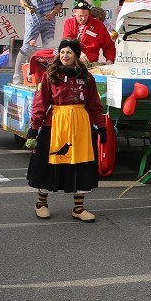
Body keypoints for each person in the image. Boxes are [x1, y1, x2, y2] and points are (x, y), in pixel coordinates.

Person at [25, 39, 105, 222]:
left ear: (76, 55)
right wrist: (34, 128)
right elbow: (40, 103)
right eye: (62, 52)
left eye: (69, 52)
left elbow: (94, 105)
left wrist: (101, 126)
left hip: (81, 126)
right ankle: (41, 204)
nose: (65, 56)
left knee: (80, 164)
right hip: (55, 125)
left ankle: (78, 208)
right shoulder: (50, 76)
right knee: (48, 163)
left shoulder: (87, 77)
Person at [14, 0, 65, 82]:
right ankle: (17, 75)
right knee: (26, 46)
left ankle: (49, 75)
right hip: (33, 20)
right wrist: (28, 7)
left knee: (49, 47)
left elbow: (59, 3)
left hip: (49, 21)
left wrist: (53, 12)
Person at [61, 0, 116, 65]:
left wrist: (110, 59)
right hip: (71, 62)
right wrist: (79, 53)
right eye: (80, 15)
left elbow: (109, 46)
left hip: (90, 63)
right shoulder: (69, 23)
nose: (83, 18)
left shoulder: (98, 25)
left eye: (86, 15)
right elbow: (67, 41)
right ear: (74, 12)